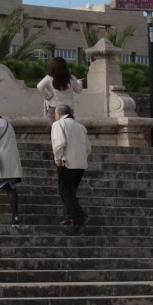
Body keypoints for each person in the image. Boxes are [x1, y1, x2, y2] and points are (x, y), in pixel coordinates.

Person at [51, 104, 90, 234]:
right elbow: (88, 148)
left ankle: (78, 217)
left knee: (65, 191)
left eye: (55, 114)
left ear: (58, 114)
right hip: (81, 164)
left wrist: (58, 159)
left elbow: (59, 143)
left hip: (67, 162)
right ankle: (70, 215)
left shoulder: (59, 124)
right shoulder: (80, 127)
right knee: (71, 191)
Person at [36, 56, 83, 121]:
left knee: (54, 128)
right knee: (67, 128)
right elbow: (78, 90)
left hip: (54, 107)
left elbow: (39, 86)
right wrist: (79, 82)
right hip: (68, 108)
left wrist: (47, 96)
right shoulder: (72, 78)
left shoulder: (49, 78)